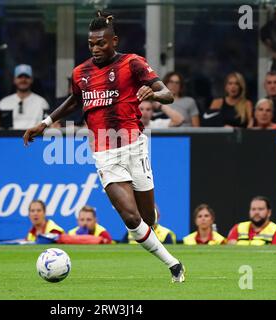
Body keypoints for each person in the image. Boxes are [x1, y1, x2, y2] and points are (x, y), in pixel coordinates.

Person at [24, 11, 185, 282]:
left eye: (101, 43)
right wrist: (46, 122)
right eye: (91, 44)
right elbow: (75, 100)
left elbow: (167, 94)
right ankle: (174, 265)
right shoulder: (81, 72)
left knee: (148, 218)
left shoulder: (133, 63)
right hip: (104, 153)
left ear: (114, 41)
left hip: (135, 147)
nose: (95, 49)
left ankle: (151, 220)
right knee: (131, 218)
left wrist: (154, 94)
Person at [0, 64, 49, 129]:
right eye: (20, 77)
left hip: (34, 138)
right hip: (10, 138)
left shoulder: (42, 102)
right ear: (14, 80)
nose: (23, 80)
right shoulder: (4, 102)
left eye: (26, 77)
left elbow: (47, 126)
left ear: (32, 80)